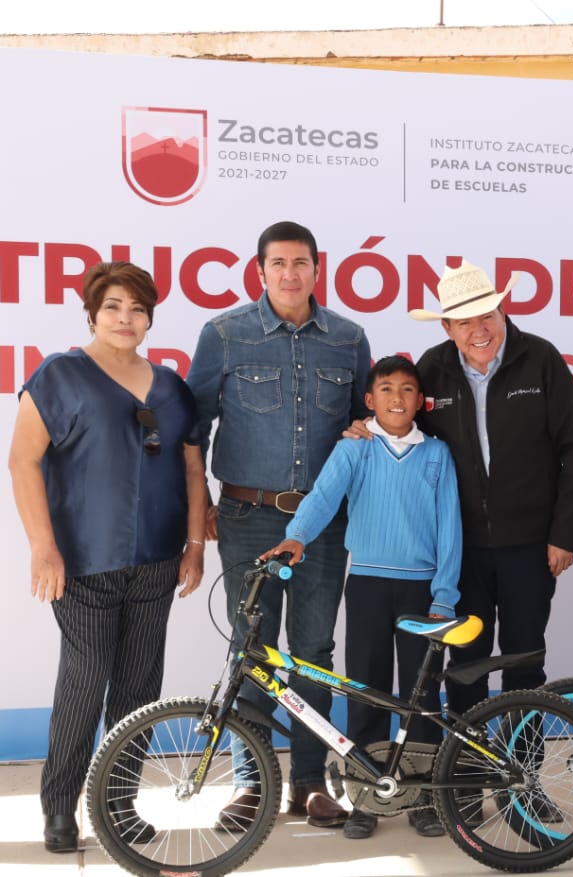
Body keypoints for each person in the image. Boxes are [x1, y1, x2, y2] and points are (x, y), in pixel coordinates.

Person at [9, 261, 206, 854]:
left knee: (138, 688)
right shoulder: (60, 375)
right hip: (83, 562)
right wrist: (43, 546)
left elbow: (193, 469)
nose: (126, 318)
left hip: (156, 561)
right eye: (114, 306)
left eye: (137, 309)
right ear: (92, 313)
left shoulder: (172, 387)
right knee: (84, 681)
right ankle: (59, 809)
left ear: (150, 318)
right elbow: (23, 462)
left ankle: (118, 804)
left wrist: (195, 546)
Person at [187, 221, 371, 830]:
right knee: (251, 649)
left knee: (314, 652)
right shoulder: (224, 334)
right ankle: (253, 783)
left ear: (319, 269)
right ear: (259, 271)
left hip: (322, 521)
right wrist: (201, 511)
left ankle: (311, 783)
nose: (291, 274)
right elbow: (195, 431)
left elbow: (361, 432)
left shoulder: (348, 339)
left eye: (302, 263)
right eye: (279, 264)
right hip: (245, 516)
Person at [262, 355, 462, 840]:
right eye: (387, 389)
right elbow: (323, 497)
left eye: (408, 389)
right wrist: (297, 537)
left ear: (421, 400)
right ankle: (368, 796)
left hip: (422, 590)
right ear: (370, 401)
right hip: (369, 585)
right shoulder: (356, 449)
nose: (398, 398)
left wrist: (445, 595)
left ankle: (422, 798)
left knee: (422, 697)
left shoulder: (437, 454)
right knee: (366, 691)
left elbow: (450, 527)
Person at [406, 260, 573, 729]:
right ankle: (466, 789)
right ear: (448, 327)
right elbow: (405, 442)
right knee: (465, 667)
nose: (480, 330)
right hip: (461, 550)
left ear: (502, 310)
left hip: (531, 548)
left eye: (487, 315)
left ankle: (522, 793)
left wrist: (564, 534)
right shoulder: (431, 369)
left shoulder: (541, 359)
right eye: (465, 321)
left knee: (524, 666)